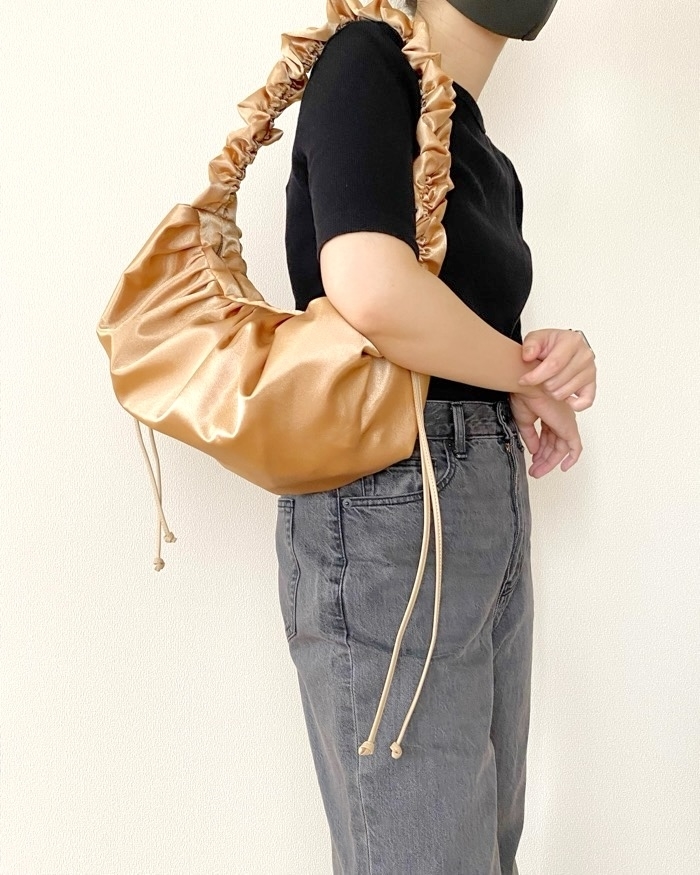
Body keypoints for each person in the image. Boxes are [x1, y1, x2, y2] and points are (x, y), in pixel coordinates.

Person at [276, 0, 597, 872]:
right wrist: (520, 373)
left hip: (472, 494)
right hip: (392, 494)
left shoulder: (476, 141)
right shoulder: (365, 59)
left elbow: (457, 332)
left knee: (475, 849)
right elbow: (371, 290)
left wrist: (541, 363)